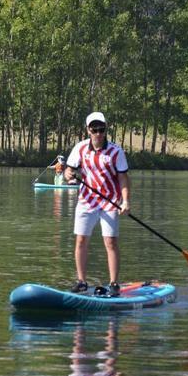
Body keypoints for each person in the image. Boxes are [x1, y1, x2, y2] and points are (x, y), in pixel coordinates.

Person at [64, 112, 130, 296]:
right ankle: (81, 282)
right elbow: (69, 171)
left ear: (106, 129)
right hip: (86, 201)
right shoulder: (80, 148)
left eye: (101, 129)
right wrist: (67, 174)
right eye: (94, 130)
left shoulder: (116, 152)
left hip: (110, 202)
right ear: (88, 130)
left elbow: (123, 178)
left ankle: (114, 283)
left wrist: (125, 201)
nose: (98, 133)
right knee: (81, 240)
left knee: (110, 242)